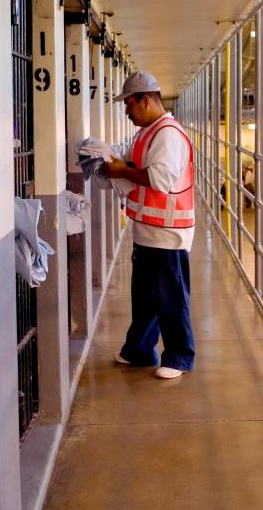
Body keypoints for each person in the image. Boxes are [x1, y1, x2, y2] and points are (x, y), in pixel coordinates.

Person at [103, 71, 196, 379]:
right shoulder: (147, 132)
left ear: (146, 99)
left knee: (171, 297)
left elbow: (159, 179)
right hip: (148, 230)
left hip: (168, 235)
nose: (127, 112)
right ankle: (140, 350)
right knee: (145, 298)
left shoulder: (167, 134)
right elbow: (130, 164)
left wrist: (122, 171)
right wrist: (111, 163)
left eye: (129, 104)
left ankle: (180, 356)